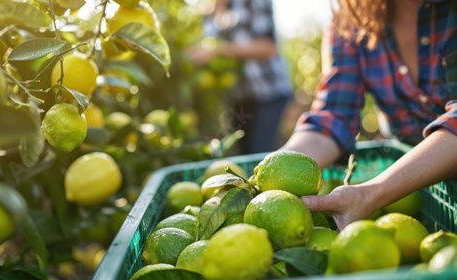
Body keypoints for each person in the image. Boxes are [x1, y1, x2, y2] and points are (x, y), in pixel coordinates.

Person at [280, 0, 457, 231]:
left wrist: (372, 194)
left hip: (398, 193)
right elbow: (334, 116)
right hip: (418, 200)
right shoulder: (353, 19)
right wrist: (272, 177)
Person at [187, 0, 293, 154]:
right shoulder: (208, 14)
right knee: (245, 154)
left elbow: (267, 48)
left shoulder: (253, 3)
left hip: (267, 93)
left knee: (260, 152)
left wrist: (218, 51)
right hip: (236, 100)